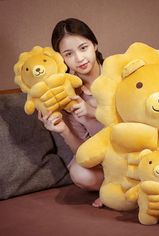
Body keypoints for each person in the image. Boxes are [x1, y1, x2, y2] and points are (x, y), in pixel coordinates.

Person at [38, 18, 104, 207]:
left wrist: (93, 112)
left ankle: (125, 187)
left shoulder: (117, 75)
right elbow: (83, 152)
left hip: (135, 152)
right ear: (62, 59)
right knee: (80, 173)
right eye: (69, 54)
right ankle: (118, 188)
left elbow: (136, 122)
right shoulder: (68, 95)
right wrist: (63, 130)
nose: (79, 59)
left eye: (83, 48)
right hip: (105, 163)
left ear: (95, 44)